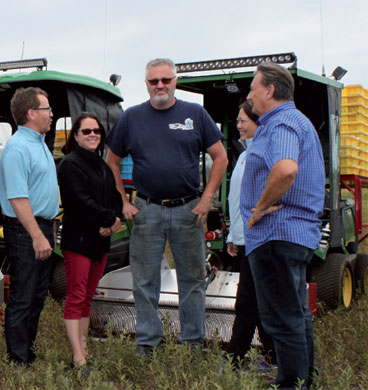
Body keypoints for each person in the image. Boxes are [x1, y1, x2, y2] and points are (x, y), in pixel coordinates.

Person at [106, 58, 228, 355]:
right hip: (148, 210)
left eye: (166, 80)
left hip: (188, 210)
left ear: (175, 80)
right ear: (146, 84)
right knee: (144, 281)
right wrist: (122, 201)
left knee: (193, 281)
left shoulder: (195, 114)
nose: (160, 85)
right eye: (153, 81)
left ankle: (192, 345)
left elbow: (221, 157)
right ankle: (147, 344)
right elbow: (111, 161)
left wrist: (207, 198)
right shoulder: (132, 118)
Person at [241, 62, 324, 389]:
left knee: (283, 319)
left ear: (269, 90)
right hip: (293, 234)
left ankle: (292, 384)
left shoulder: (281, 123)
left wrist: (259, 208)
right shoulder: (296, 121)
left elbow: (286, 169)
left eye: (252, 88)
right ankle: (306, 379)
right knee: (297, 315)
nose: (250, 94)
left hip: (277, 233)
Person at [0, 87, 60, 366]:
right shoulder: (18, 147)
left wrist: (46, 232)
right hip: (27, 231)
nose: (51, 114)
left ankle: (28, 352)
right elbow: (17, 197)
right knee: (23, 296)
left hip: (42, 228)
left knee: (37, 295)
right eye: (47, 109)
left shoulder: (39, 143)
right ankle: (17, 360)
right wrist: (37, 235)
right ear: (31, 113)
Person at [58, 112, 123, 369]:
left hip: (100, 241)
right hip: (79, 241)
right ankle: (78, 356)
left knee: (87, 297)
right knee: (76, 296)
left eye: (96, 130)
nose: (93, 134)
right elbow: (80, 202)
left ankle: (84, 348)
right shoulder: (69, 165)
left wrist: (114, 220)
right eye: (86, 131)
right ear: (76, 135)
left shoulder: (102, 165)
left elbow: (116, 199)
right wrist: (109, 219)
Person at [224, 100, 275, 368]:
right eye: (238, 120)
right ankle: (272, 357)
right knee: (252, 301)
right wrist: (234, 235)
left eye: (244, 120)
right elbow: (237, 199)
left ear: (259, 123)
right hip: (246, 239)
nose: (238, 125)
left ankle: (234, 359)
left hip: (262, 239)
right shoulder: (244, 156)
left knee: (249, 302)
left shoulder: (265, 153)